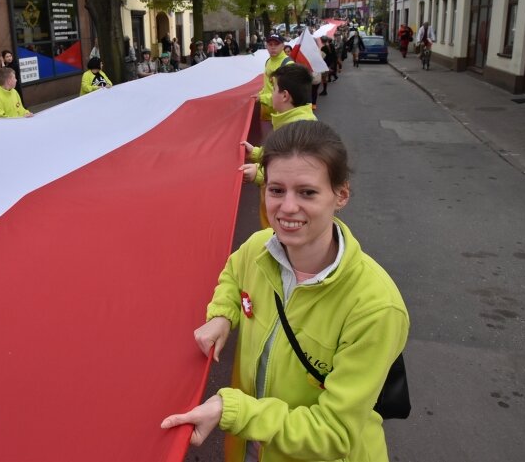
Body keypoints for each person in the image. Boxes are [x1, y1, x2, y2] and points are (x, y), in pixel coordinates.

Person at [161, 120, 410, 462]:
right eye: (276, 190)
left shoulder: (376, 307)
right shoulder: (258, 247)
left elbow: (333, 432)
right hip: (252, 446)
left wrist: (233, 411)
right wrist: (222, 315)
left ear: (341, 195)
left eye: (307, 192)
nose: (287, 207)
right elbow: (233, 275)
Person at [242, 63, 317, 228]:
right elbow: (280, 154)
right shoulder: (290, 121)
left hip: (284, 218)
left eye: (273, 89)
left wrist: (258, 173)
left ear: (284, 96)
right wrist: (255, 153)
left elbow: (292, 171)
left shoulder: (297, 130)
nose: (270, 95)